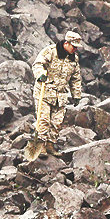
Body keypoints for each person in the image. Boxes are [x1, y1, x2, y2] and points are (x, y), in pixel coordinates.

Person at [29, 30, 86, 160]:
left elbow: (75, 78)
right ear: (66, 43)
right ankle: (40, 145)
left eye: (76, 47)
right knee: (43, 120)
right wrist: (40, 74)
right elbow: (38, 64)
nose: (75, 49)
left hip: (60, 95)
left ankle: (50, 144)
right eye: (73, 46)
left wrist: (76, 94)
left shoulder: (73, 58)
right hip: (44, 92)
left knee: (57, 122)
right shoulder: (50, 51)